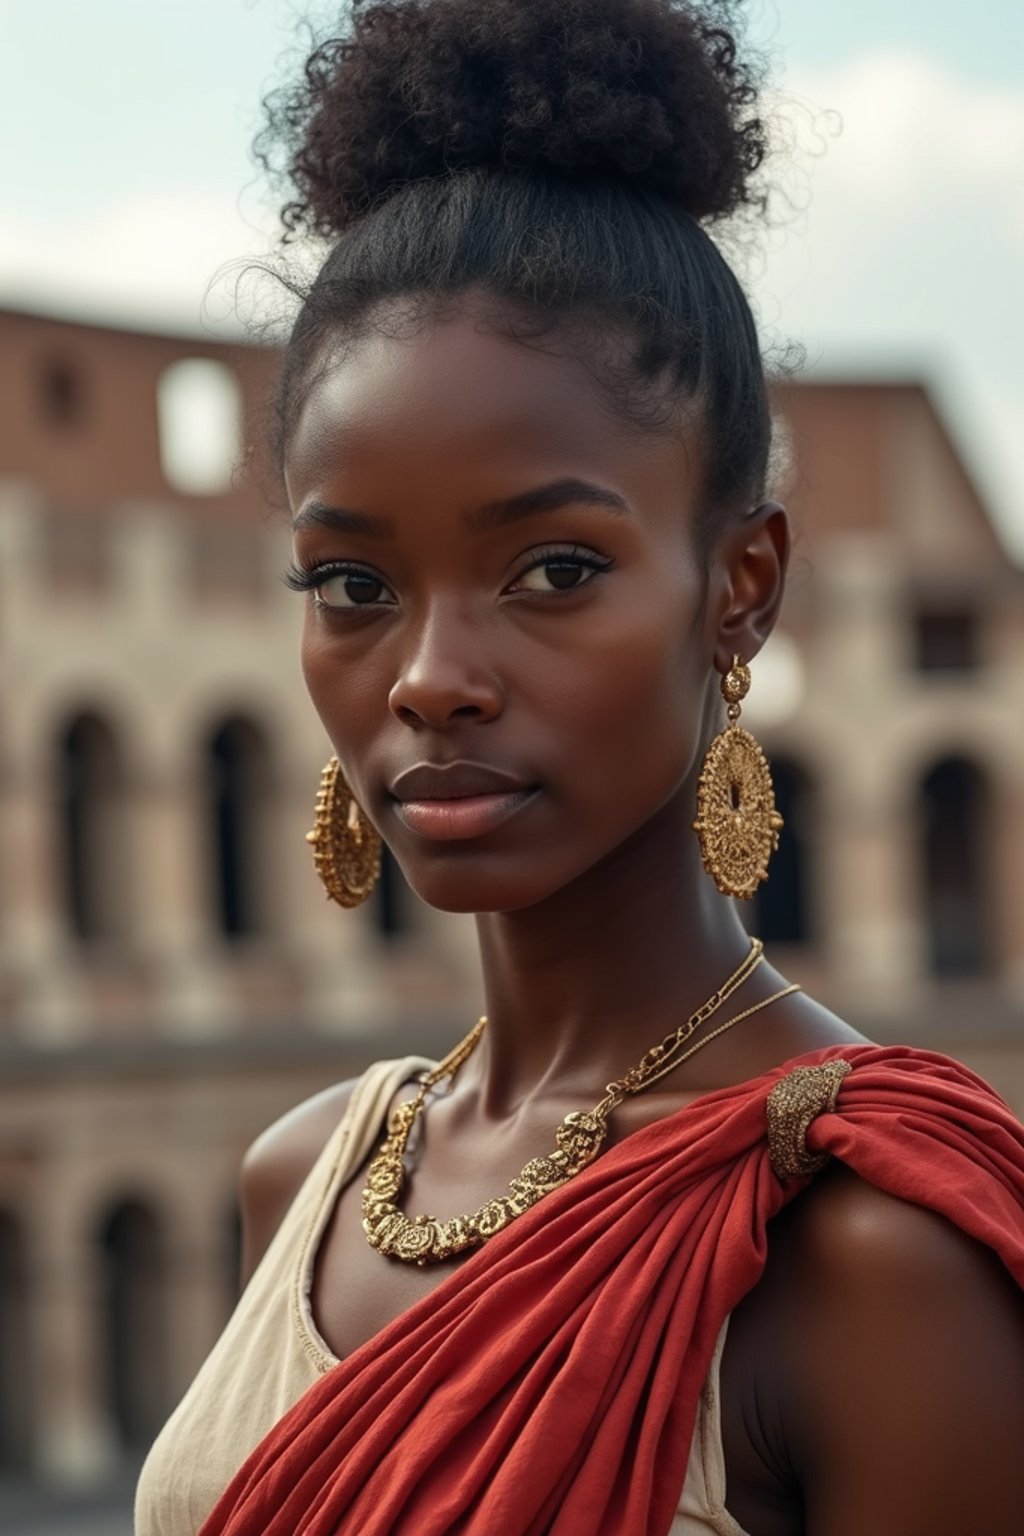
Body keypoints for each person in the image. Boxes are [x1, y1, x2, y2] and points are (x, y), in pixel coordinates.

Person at [135, 0, 1024, 1531]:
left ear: (740, 584)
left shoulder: (864, 1245)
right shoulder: (301, 1178)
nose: (429, 677)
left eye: (552, 568)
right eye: (352, 584)